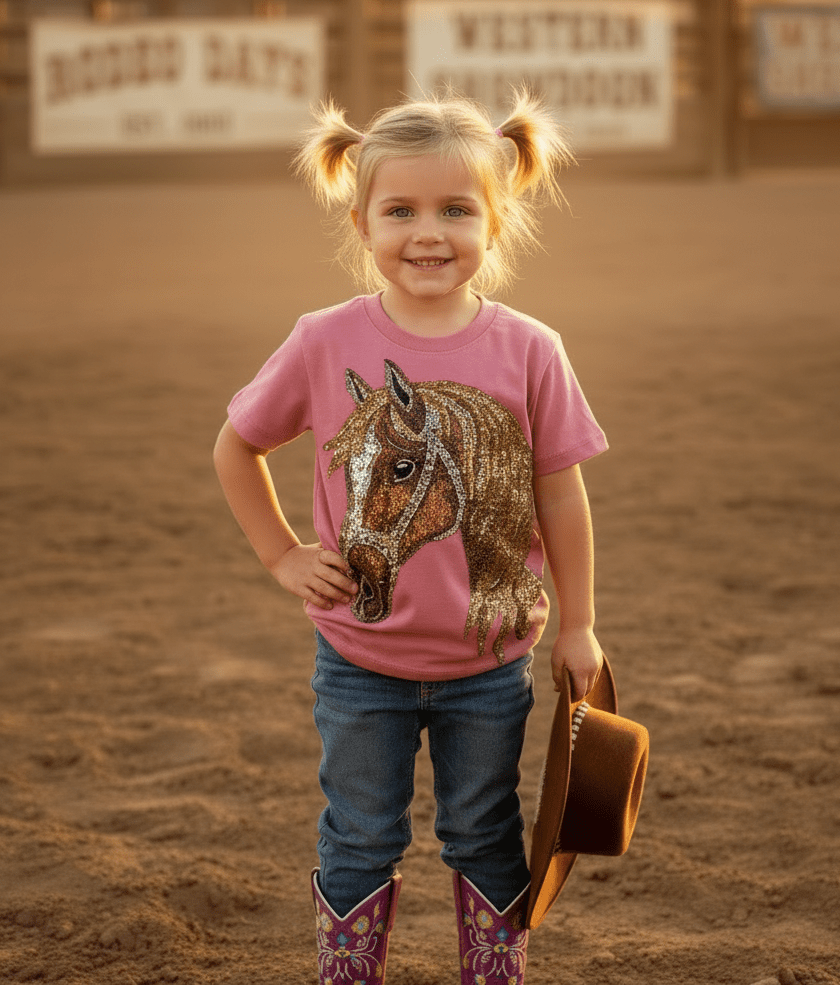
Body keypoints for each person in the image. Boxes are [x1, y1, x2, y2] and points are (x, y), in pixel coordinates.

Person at [213, 90, 608, 985]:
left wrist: (579, 624)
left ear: (495, 221)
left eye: (455, 210)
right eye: (401, 211)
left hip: (490, 661)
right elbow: (237, 445)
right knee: (359, 829)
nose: (428, 233)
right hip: (359, 661)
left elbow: (563, 496)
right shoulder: (324, 342)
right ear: (361, 222)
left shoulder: (531, 349)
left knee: (485, 829)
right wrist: (280, 553)